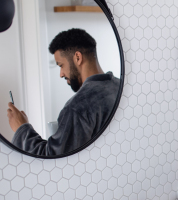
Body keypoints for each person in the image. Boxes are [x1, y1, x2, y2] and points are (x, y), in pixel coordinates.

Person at [7, 28, 120, 156]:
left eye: (61, 65)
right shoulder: (119, 86)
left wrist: (21, 128)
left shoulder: (78, 107)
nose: (61, 74)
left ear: (77, 57)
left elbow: (53, 159)